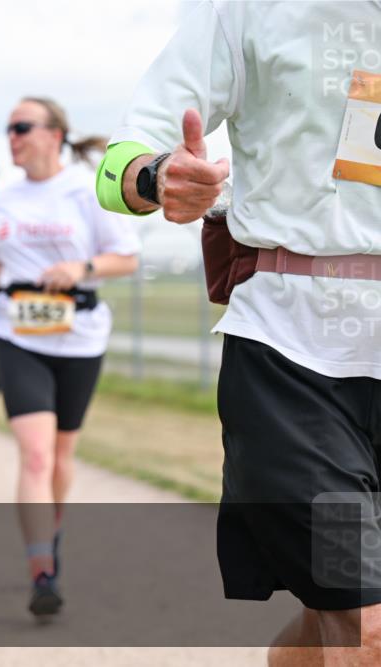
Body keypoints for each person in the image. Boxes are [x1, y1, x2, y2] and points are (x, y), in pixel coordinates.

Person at [95, 2, 380, 662]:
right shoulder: (251, 10)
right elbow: (120, 160)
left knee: (330, 621)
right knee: (363, 625)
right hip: (297, 366)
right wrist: (157, 175)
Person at [0, 97, 140, 617]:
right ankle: (41, 568)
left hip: (80, 335)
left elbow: (126, 259)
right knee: (36, 454)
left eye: (21, 127)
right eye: (8, 128)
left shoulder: (87, 190)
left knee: (63, 457)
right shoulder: (4, 199)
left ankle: (52, 532)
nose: (12, 137)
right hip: (17, 334)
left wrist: (80, 267)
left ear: (54, 134)